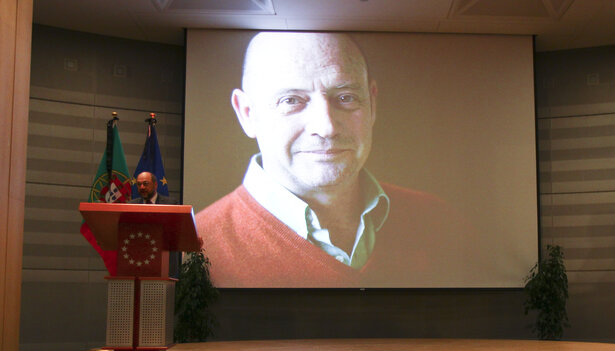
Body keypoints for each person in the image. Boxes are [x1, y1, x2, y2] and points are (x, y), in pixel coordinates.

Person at [196, 31, 488, 288]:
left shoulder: (442, 223)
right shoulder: (193, 246)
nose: (326, 127)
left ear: (372, 104)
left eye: (346, 97)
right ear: (247, 113)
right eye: (292, 101)